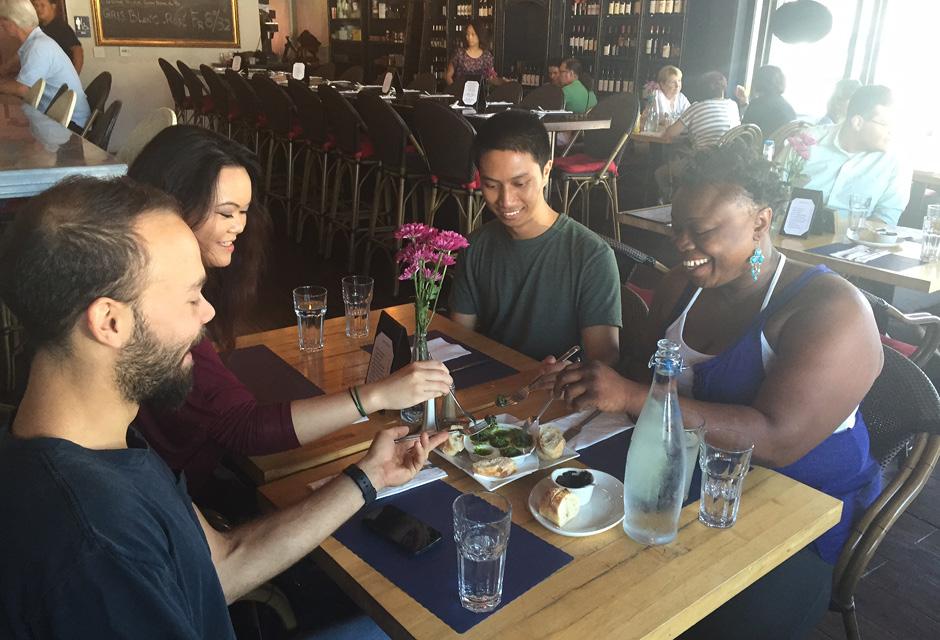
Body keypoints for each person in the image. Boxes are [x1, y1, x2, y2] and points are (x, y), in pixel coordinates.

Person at [0, 175, 447, 637]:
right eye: (192, 296)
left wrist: (368, 476)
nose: (208, 313)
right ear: (110, 322)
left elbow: (221, 566)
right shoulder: (96, 546)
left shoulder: (100, 438)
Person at [554, 144, 883, 639]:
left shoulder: (831, 311)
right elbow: (637, 376)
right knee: (570, 560)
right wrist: (590, 376)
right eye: (676, 227)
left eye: (703, 231)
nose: (682, 244)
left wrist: (629, 396)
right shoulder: (681, 286)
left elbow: (776, 439)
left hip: (793, 513)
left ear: (760, 221)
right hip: (683, 483)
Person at [127, 126, 453, 508]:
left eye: (245, 212)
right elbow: (245, 429)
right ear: (170, 206)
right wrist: (377, 394)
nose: (240, 226)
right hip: (178, 494)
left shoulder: (161, 278)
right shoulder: (155, 307)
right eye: (226, 213)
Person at [449, 110, 621, 367]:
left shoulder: (591, 255)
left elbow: (604, 362)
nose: (506, 201)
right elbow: (458, 339)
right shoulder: (476, 247)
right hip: (494, 388)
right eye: (491, 185)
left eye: (520, 183)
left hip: (560, 396)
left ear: (547, 171)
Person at [800, 85, 911, 225]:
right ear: (858, 122)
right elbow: (773, 193)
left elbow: (886, 217)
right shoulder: (808, 142)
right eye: (885, 124)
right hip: (792, 235)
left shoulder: (896, 160)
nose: (892, 132)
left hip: (854, 242)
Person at [0, 0, 89, 128]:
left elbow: (23, 89)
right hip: (55, 115)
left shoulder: (38, 47)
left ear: (14, 21)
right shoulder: (33, 42)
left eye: (3, 19)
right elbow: (13, 67)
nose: (1, 23)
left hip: (70, 122)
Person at [655, 70, 740, 198]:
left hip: (703, 166)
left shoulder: (697, 107)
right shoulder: (733, 106)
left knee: (660, 174)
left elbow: (670, 133)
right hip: (729, 165)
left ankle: (675, 206)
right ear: (723, 87)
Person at [740, 65, 795, 136]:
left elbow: (743, 133)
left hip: (759, 146)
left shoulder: (757, 104)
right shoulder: (788, 108)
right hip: (779, 146)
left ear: (759, 81)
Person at [445, 19, 500, 88]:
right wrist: (455, 89)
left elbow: (491, 78)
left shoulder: (486, 56)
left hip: (480, 94)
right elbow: (448, 76)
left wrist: (503, 81)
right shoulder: (459, 54)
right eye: (467, 34)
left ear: (479, 35)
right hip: (460, 93)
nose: (469, 37)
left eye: (473, 34)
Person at [32, 0, 81, 72]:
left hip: (60, 77)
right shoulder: (37, 28)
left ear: (53, 6)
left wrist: (74, 77)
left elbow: (78, 52)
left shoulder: (62, 27)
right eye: (36, 6)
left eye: (42, 5)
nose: (38, 9)